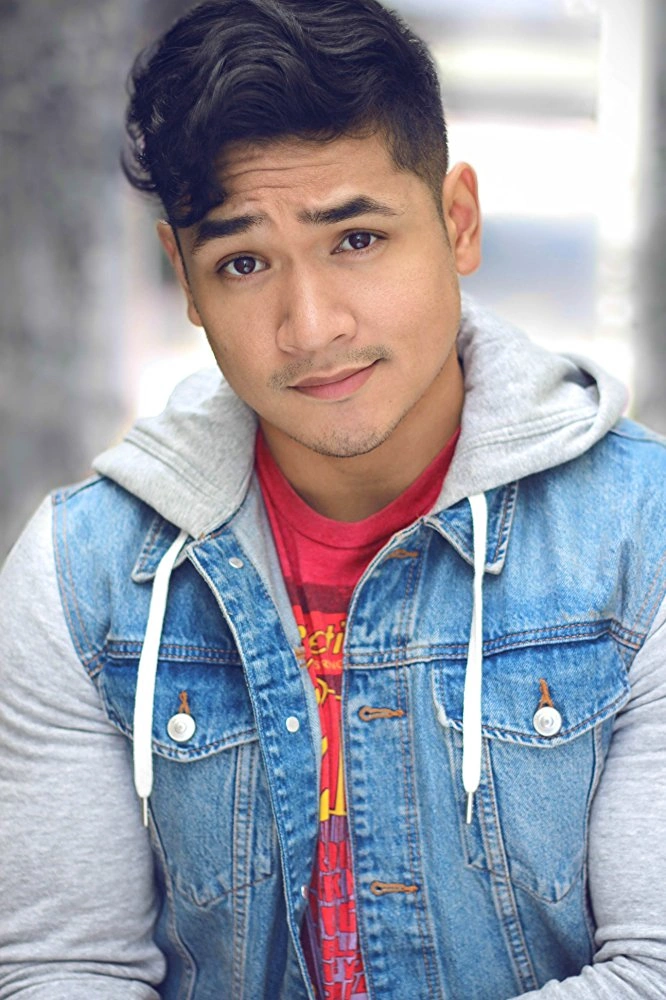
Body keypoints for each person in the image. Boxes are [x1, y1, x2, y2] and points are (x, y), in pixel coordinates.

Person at [0, 0, 665, 997]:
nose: (310, 327)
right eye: (243, 263)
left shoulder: (642, 540)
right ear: (186, 280)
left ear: (458, 221)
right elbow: (66, 967)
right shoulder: (82, 577)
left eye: (355, 238)